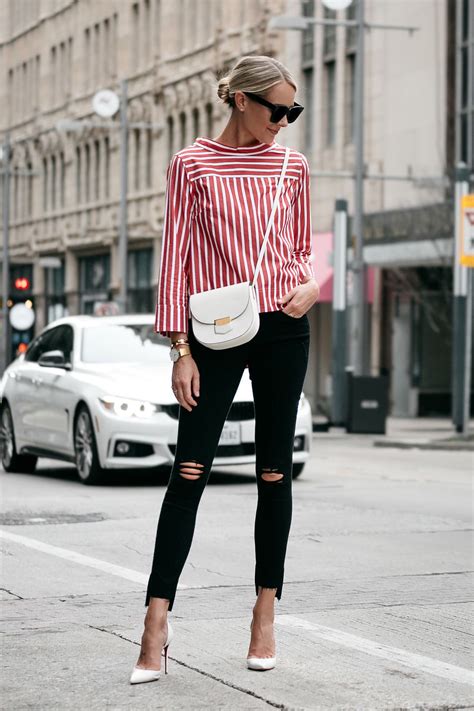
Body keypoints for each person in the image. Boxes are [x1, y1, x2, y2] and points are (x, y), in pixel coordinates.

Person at [130, 54, 320, 685]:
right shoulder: (192, 164)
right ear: (241, 100)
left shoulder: (293, 166)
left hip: (283, 328)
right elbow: (176, 257)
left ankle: (265, 613)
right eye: (278, 110)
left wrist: (311, 287)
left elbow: (298, 250)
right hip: (215, 332)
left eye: (293, 111)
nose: (285, 122)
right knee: (189, 472)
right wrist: (179, 349)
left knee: (273, 473)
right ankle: (155, 624)